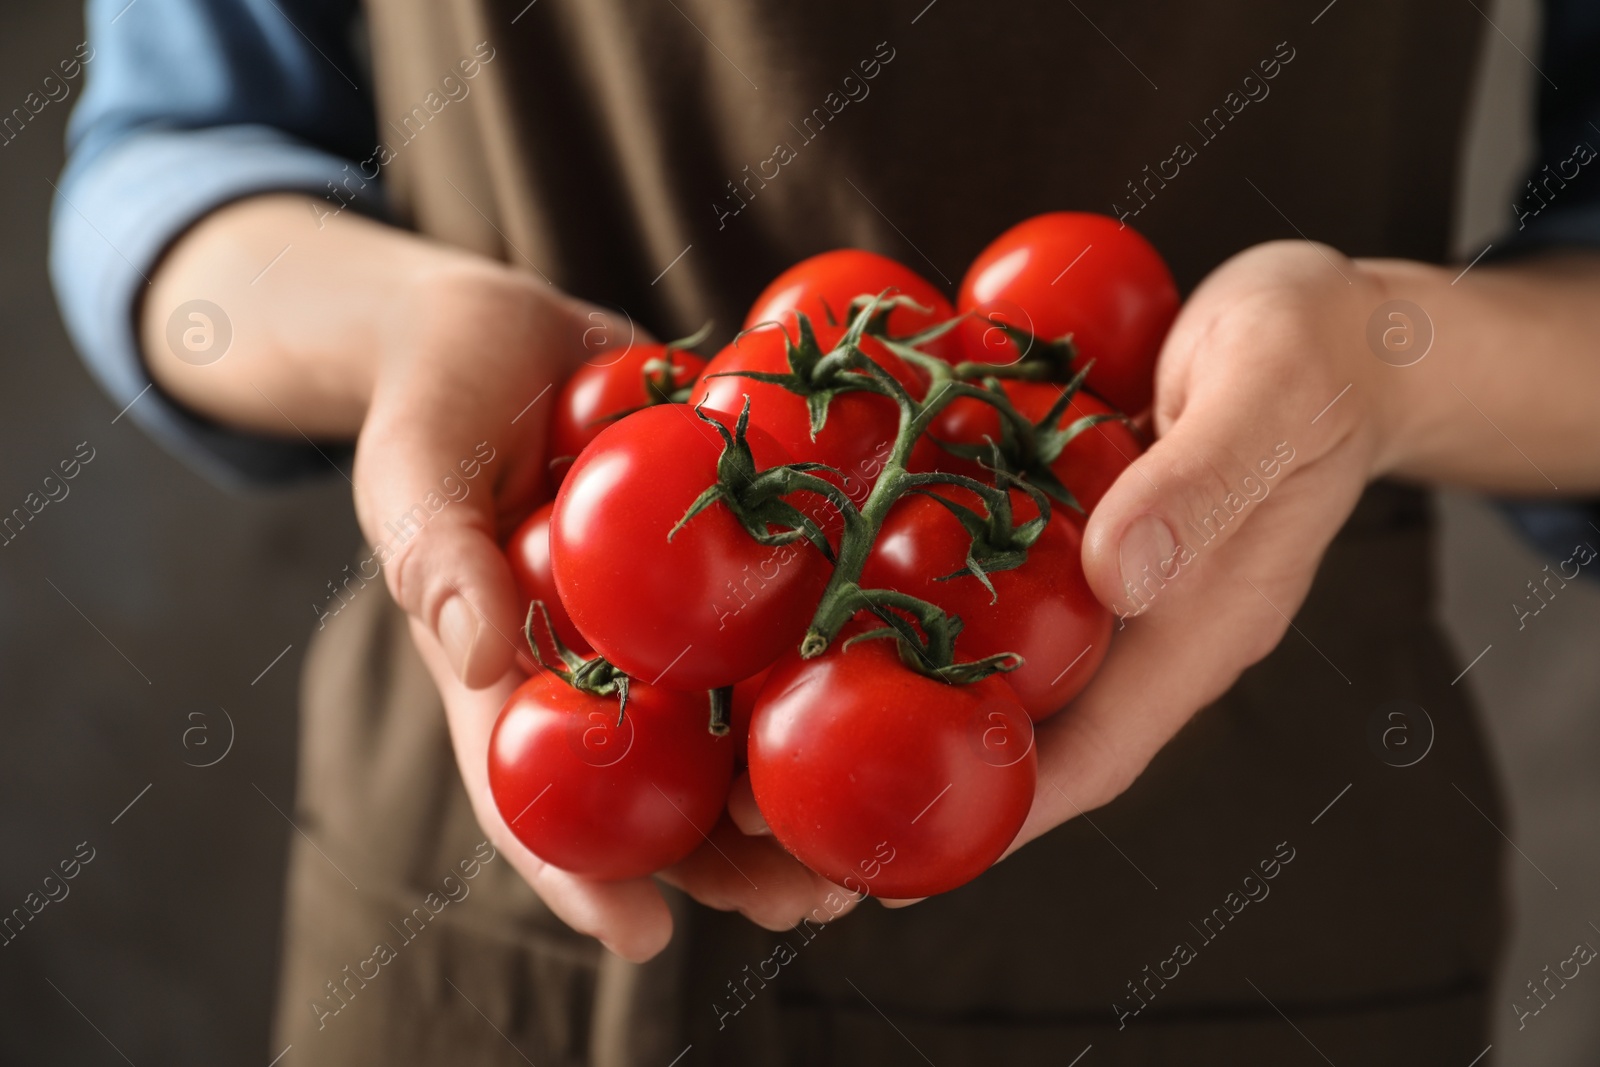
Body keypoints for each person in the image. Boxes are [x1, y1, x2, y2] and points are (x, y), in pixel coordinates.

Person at [50, 0, 1600, 1063]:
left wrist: (1379, 361)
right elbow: (178, 152)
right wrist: (410, 335)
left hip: (1248, 917)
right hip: (481, 897)